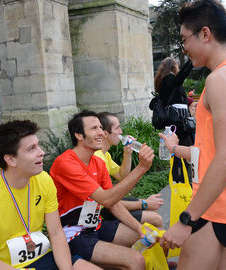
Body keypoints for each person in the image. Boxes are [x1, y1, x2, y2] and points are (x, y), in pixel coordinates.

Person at [158, 1, 226, 270]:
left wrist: (187, 219)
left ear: (205, 34)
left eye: (185, 39)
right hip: (225, 199)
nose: (183, 48)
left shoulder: (220, 79)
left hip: (213, 204)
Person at [0, 120, 101, 270]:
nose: (42, 152)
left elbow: (55, 233)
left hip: (39, 255)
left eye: (38, 145)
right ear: (10, 159)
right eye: (32, 148)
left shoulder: (44, 180)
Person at [50, 110, 155, 270]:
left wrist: (139, 228)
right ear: (78, 135)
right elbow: (106, 199)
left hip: (96, 225)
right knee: (136, 260)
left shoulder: (98, 162)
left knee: (155, 235)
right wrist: (141, 168)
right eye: (94, 128)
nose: (101, 133)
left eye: (101, 127)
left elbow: (114, 203)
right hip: (73, 232)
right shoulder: (65, 162)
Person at [94, 111, 163, 228]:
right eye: (118, 128)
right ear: (105, 133)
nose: (121, 132)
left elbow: (122, 176)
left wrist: (128, 153)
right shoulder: (98, 158)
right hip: (100, 211)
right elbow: (109, 202)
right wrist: (144, 203)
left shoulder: (105, 155)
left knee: (153, 215)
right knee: (155, 219)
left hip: (108, 203)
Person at [154, 56, 194, 183]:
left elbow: (177, 98)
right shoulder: (169, 80)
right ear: (174, 67)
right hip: (178, 123)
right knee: (185, 153)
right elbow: (180, 78)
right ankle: (183, 182)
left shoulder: (165, 82)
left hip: (176, 123)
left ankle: (180, 182)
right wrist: (191, 62)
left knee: (179, 154)